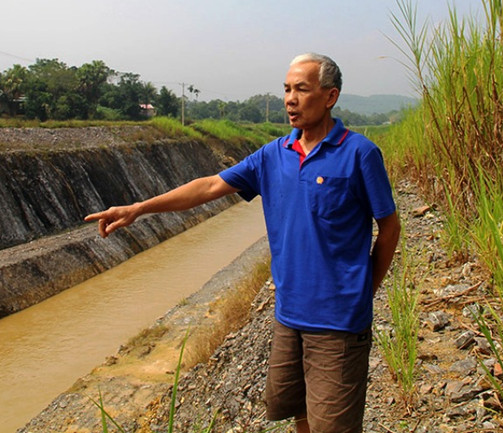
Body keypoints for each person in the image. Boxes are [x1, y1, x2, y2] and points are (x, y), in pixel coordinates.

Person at [84, 53, 401, 433]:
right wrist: (140, 208)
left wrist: (363, 292)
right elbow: (210, 186)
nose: (290, 99)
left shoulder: (359, 153)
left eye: (302, 89)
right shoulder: (273, 155)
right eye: (286, 89)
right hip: (288, 318)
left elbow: (390, 227)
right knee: (299, 414)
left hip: (338, 325)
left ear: (330, 96)